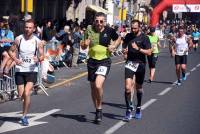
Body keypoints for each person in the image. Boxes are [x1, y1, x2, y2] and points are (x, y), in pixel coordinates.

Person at [84, 12, 121, 123]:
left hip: (104, 60)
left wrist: (114, 46)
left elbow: (119, 38)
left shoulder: (109, 30)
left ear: (104, 21)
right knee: (92, 88)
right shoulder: (89, 29)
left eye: (101, 21)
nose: (99, 23)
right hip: (91, 61)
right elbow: (83, 44)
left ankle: (99, 109)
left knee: (98, 85)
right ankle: (96, 108)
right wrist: (84, 44)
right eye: (97, 21)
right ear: (94, 21)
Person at [8, 19, 44, 126]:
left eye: (30, 27)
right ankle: (25, 107)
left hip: (32, 70)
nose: (27, 29)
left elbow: (42, 55)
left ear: (33, 29)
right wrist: (15, 59)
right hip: (20, 70)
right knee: (21, 95)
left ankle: (24, 116)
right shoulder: (18, 39)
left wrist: (38, 59)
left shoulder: (37, 41)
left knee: (27, 92)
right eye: (26, 27)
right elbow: (10, 51)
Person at [122, 20, 151, 121]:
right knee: (127, 88)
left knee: (139, 88)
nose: (133, 30)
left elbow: (149, 52)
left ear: (139, 27)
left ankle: (138, 107)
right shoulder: (129, 36)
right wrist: (125, 52)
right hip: (130, 63)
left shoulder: (144, 38)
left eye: (135, 28)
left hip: (141, 65)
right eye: (132, 28)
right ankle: (128, 110)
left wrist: (138, 49)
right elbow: (124, 45)